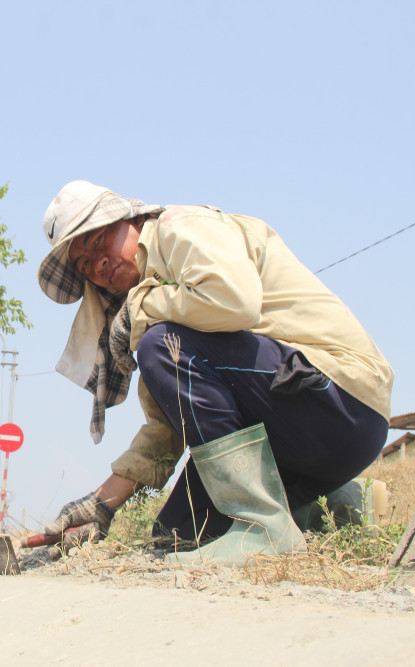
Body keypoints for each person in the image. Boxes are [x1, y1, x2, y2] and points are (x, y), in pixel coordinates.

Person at [37, 180, 393, 565]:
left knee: (160, 346)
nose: (98, 263)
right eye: (84, 264)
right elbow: (168, 429)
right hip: (302, 437)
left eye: (98, 240)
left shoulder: (178, 227)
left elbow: (236, 302)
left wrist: (140, 308)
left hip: (341, 403)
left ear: (131, 219)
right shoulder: (163, 306)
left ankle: (264, 528)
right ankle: (344, 505)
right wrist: (102, 504)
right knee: (175, 535)